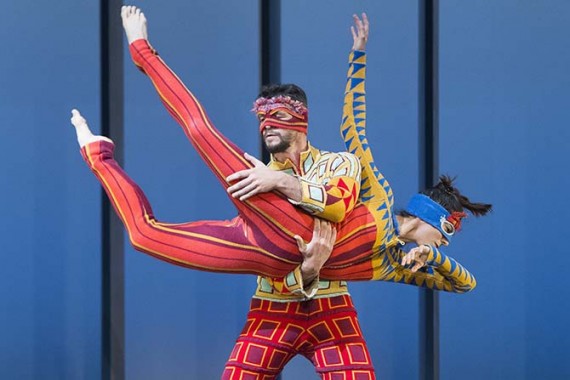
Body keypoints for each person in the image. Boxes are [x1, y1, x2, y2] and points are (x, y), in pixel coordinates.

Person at [71, 6, 491, 290]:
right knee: (201, 132)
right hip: (274, 209)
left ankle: (97, 153)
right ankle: (141, 49)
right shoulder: (377, 194)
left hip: (268, 258)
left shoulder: (396, 265)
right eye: (446, 232)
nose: (447, 242)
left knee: (145, 237)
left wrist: (431, 258)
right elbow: (354, 125)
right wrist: (357, 59)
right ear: (426, 217)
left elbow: (465, 283)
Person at [222, 15, 377, 380]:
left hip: (332, 304)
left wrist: (279, 182)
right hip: (273, 306)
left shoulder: (339, 162)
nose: (266, 126)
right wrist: (305, 273)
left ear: (301, 120)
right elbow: (262, 251)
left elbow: (336, 205)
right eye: (261, 119)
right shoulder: (254, 178)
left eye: (275, 116)